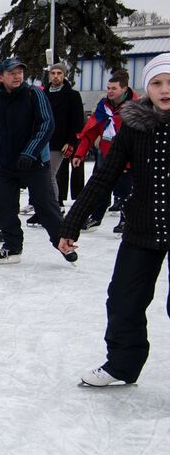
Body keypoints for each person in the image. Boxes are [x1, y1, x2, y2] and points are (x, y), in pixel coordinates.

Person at [59, 54, 170, 387]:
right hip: (141, 227)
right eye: (157, 83)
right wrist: (72, 222)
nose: (165, 90)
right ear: (146, 88)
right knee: (123, 298)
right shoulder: (133, 128)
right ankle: (122, 364)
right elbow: (103, 177)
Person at [0, 57, 71, 265]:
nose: (17, 76)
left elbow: (46, 124)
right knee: (4, 206)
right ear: (1, 77)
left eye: (19, 72)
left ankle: (64, 244)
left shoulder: (34, 94)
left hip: (35, 163)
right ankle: (12, 247)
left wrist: (30, 153)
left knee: (45, 206)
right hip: (6, 163)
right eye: (12, 73)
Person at [72, 71, 138, 231]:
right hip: (105, 154)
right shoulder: (104, 105)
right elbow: (91, 131)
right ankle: (95, 217)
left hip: (127, 157)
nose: (109, 91)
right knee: (100, 188)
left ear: (124, 89)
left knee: (125, 191)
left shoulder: (135, 106)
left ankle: (126, 219)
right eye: (108, 88)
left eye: (113, 88)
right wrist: (80, 153)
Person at [43, 62, 85, 215]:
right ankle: (45, 206)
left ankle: (53, 206)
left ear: (64, 75)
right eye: (53, 73)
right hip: (42, 140)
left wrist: (71, 142)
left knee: (50, 175)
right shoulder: (43, 94)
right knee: (42, 176)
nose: (56, 76)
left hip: (59, 142)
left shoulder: (72, 96)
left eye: (59, 73)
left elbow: (77, 122)